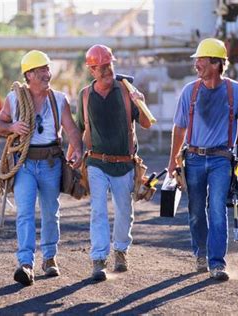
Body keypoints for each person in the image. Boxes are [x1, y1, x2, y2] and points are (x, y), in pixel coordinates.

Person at [167, 38, 238, 281]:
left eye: (200, 59)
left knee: (217, 209)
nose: (196, 64)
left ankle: (217, 263)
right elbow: (179, 129)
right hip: (194, 158)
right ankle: (201, 253)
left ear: (216, 63)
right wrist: (172, 161)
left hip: (222, 159)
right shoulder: (190, 91)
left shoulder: (236, 91)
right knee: (197, 211)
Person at [0, 50, 83, 286]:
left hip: (51, 162)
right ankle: (25, 263)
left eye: (47, 69)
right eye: (42, 70)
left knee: (51, 211)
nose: (47, 73)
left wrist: (79, 150)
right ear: (29, 74)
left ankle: (50, 258)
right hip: (24, 164)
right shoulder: (14, 99)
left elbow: (72, 129)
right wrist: (12, 126)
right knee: (24, 213)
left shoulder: (59, 99)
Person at [69, 44, 151, 281]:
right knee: (98, 211)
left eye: (109, 65)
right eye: (101, 67)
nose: (106, 70)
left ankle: (121, 250)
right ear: (92, 70)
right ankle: (99, 258)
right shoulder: (85, 95)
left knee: (125, 211)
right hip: (96, 162)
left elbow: (146, 123)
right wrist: (73, 153)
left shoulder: (127, 91)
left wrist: (140, 101)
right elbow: (81, 129)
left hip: (125, 163)